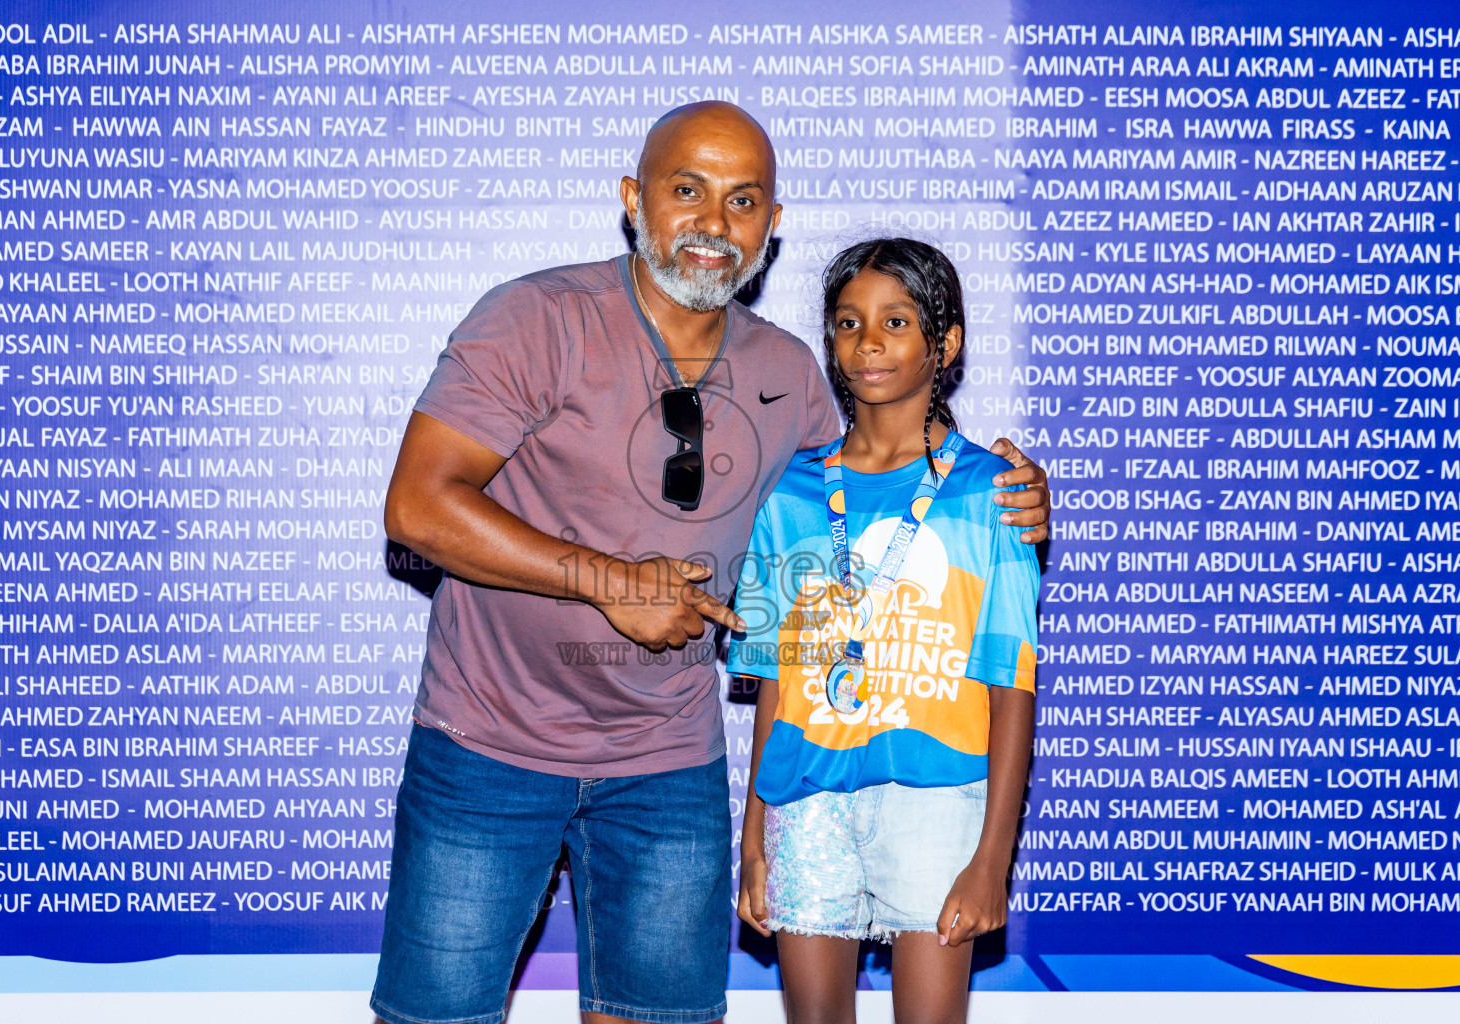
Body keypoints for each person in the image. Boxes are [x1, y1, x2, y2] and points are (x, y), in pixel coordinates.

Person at [373, 103, 1049, 1024]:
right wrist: (609, 580)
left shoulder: (793, 375)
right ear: (632, 200)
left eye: (742, 201)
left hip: (668, 765)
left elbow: (867, 503)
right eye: (686, 190)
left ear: (771, 230)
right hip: (489, 746)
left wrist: (1001, 489)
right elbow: (416, 507)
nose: (712, 223)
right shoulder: (535, 317)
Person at [731, 238, 1039, 1024]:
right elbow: (778, 676)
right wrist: (755, 836)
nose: (867, 342)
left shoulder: (991, 493)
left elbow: (1012, 685)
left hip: (939, 800)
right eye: (847, 322)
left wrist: (990, 861)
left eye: (896, 321)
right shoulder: (789, 494)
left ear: (947, 344)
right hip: (807, 803)